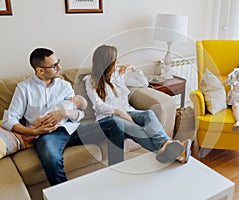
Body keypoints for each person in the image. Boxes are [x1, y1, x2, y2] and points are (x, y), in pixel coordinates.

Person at [2, 48, 125, 186]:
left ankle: (116, 176)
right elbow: (8, 120)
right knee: (50, 157)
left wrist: (64, 113)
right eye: (54, 66)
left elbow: (79, 113)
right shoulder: (24, 89)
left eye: (58, 62)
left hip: (73, 129)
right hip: (48, 135)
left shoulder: (64, 85)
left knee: (115, 123)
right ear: (40, 70)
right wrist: (34, 132)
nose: (59, 67)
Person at [83, 44, 192, 164]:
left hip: (129, 111)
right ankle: (172, 151)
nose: (118, 62)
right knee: (139, 130)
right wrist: (120, 113)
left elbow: (144, 83)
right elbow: (98, 105)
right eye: (115, 60)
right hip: (110, 118)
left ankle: (166, 144)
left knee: (149, 114)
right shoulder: (91, 80)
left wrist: (133, 68)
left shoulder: (119, 75)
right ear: (107, 63)